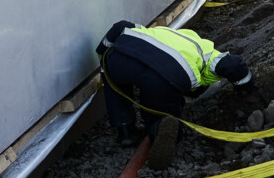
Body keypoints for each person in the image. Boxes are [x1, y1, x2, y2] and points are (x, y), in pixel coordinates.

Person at [96, 20, 256, 169]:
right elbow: (235, 64)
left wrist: (101, 53)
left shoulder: (162, 33)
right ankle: (161, 127)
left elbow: (120, 26)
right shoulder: (209, 55)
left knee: (110, 74)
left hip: (123, 55)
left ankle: (125, 131)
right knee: (159, 111)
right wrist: (248, 91)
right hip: (170, 73)